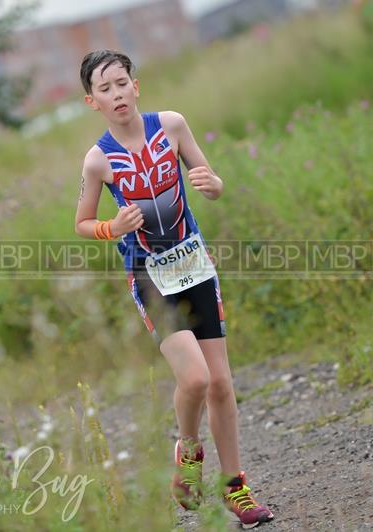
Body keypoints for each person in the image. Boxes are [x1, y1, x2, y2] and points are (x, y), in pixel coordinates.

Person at [73, 49, 274, 527]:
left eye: (122, 82)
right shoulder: (98, 160)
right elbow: (82, 222)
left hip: (194, 263)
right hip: (150, 274)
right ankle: (187, 453)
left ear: (135, 86)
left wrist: (213, 184)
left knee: (222, 383)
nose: (116, 93)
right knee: (196, 379)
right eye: (105, 88)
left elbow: (212, 181)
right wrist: (112, 226)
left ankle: (235, 489)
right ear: (91, 101)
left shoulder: (172, 125)